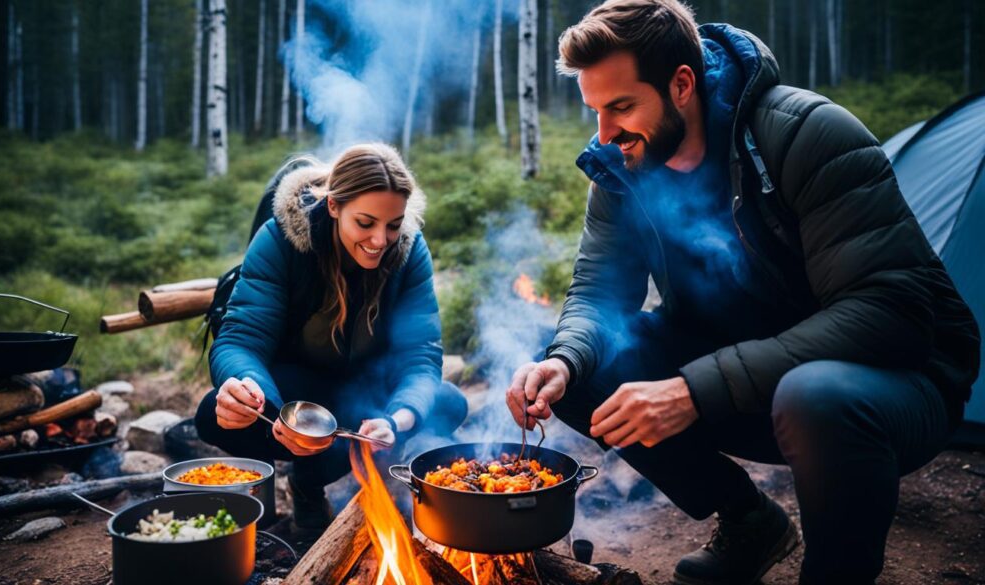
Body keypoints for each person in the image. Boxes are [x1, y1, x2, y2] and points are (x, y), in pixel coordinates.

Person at [505, 1, 980, 584]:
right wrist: (563, 360)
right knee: (573, 364)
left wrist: (693, 389)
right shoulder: (621, 166)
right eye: (596, 110)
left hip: (890, 384)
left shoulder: (806, 134)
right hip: (749, 375)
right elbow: (600, 294)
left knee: (814, 396)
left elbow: (889, 315)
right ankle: (750, 523)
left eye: (622, 107)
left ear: (682, 84)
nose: (605, 134)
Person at [196, 143, 467, 534]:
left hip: (368, 391)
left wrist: (396, 419)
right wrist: (263, 403)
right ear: (335, 206)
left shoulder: (408, 251)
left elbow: (421, 355)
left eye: (393, 225)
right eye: (366, 223)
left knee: (447, 403)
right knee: (214, 416)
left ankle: (315, 480)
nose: (380, 240)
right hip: (295, 394)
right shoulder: (282, 240)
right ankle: (308, 479)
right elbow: (241, 339)